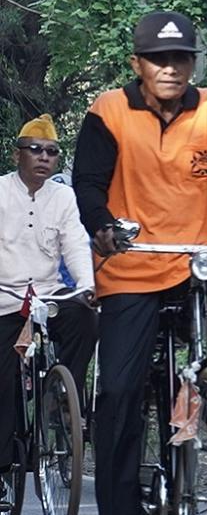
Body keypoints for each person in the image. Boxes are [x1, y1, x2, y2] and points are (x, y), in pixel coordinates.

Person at [72, 10, 207, 513]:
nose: (171, 69)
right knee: (119, 390)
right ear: (137, 63)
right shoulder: (108, 111)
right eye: (159, 59)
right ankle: (120, 506)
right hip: (133, 263)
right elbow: (89, 186)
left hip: (199, 254)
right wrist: (102, 228)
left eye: (181, 59)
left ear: (192, 64)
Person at [0, 115, 97, 502]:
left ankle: (59, 397)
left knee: (86, 319)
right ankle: (4, 465)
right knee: (2, 377)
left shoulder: (64, 197)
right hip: (5, 298)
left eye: (52, 152)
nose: (43, 158)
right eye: (35, 150)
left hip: (50, 295)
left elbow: (75, 242)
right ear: (17, 154)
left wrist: (87, 286)